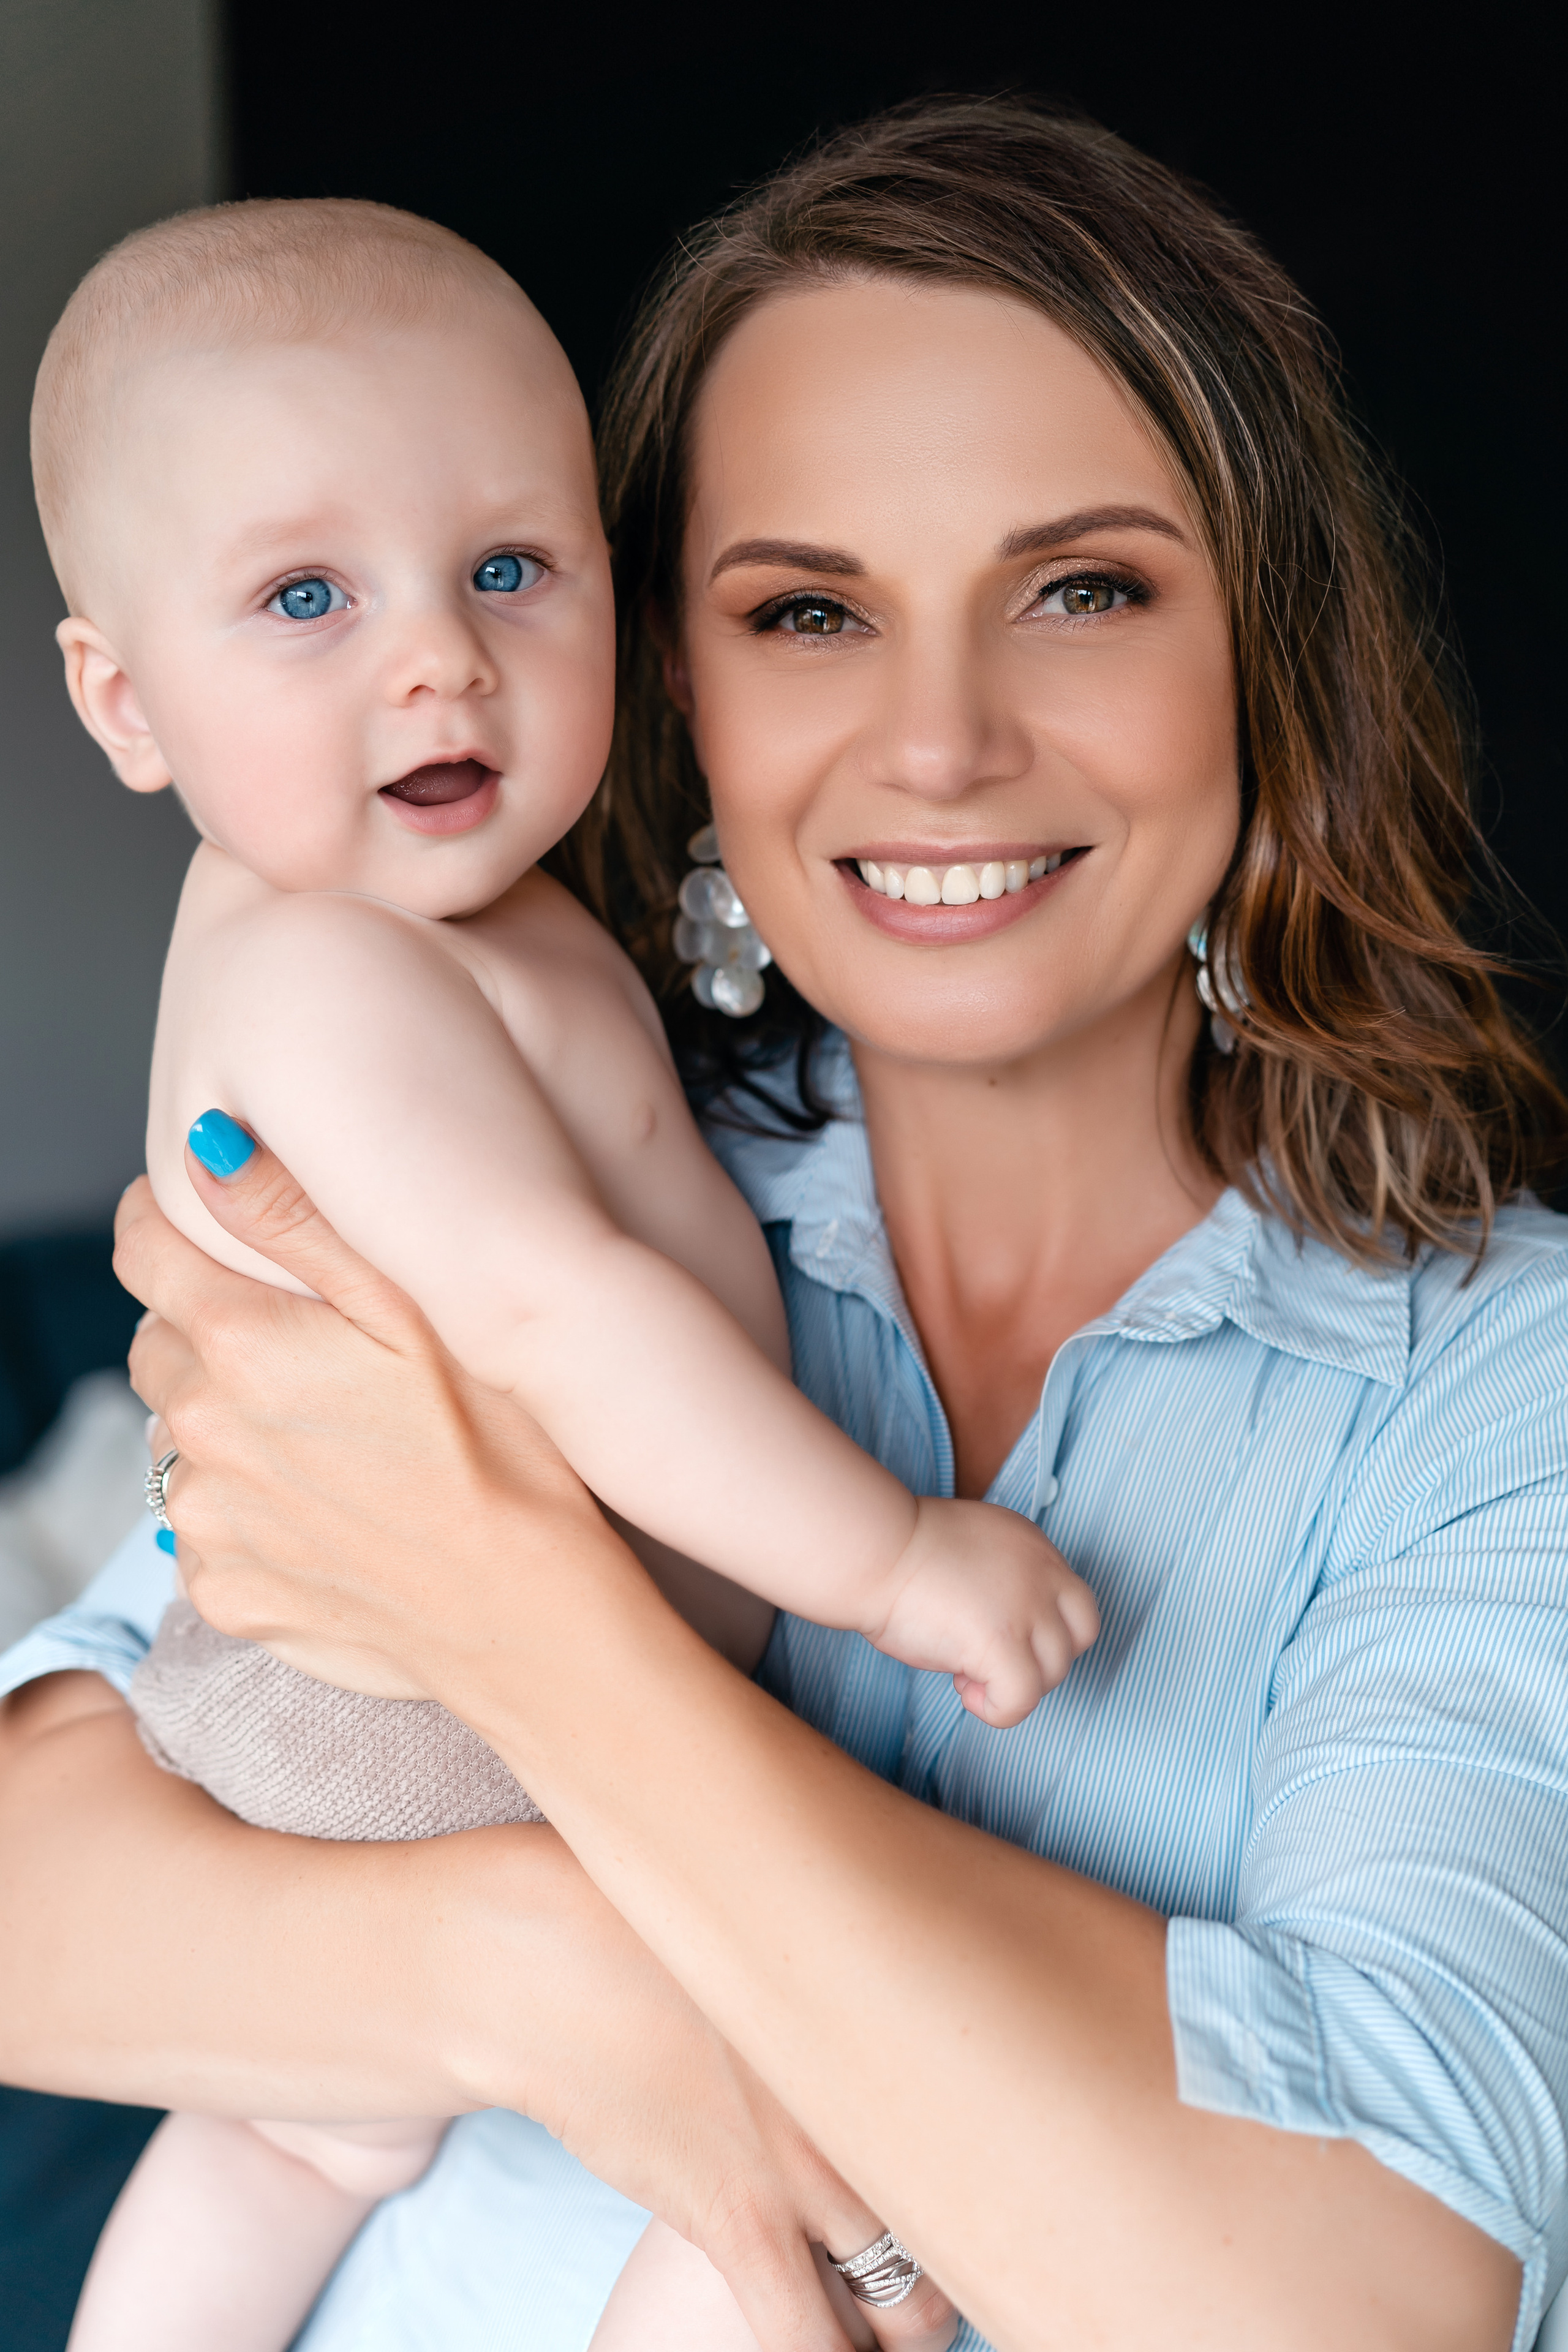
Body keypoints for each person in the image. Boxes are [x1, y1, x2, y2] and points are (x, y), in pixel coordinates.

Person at [5, 92, 1567, 2352]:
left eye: (1083, 589)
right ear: (690, 684)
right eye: (812, 608)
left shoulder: (1496, 1397)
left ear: (1270, 664)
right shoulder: (552, 1153)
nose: (937, 740)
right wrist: (568, 1990)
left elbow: (1364, 2297)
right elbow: (49, 1855)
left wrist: (529, 1619)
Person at [30, 194, 1091, 2352]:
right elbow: (547, 1313)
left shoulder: (466, 921)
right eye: (307, 598)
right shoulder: (324, 971)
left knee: (295, 2140)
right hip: (427, 1713)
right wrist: (893, 1563)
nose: (438, 658)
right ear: (124, 703)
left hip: (394, 1694)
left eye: (509, 569)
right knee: (838, 2089)